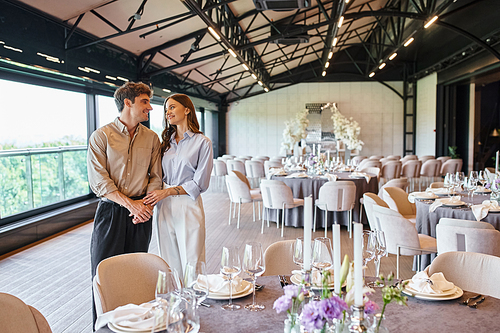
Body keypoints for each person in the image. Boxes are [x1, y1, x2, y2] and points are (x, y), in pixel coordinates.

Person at [87, 82, 162, 327]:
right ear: (127, 102)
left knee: (137, 276)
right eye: (144, 102)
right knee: (104, 274)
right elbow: (99, 181)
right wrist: (132, 205)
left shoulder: (152, 138)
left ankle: (137, 327)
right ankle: (104, 329)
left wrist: (147, 207)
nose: (150, 107)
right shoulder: (101, 136)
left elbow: (156, 177)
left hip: (142, 214)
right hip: (111, 213)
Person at [143, 93, 213, 277]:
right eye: (166, 109)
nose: (168, 112)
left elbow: (200, 183)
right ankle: (175, 302)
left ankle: (195, 302)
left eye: (172, 107)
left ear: (187, 109)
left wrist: (167, 192)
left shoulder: (202, 142)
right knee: (168, 260)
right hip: (163, 204)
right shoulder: (165, 143)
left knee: (192, 259)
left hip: (188, 203)